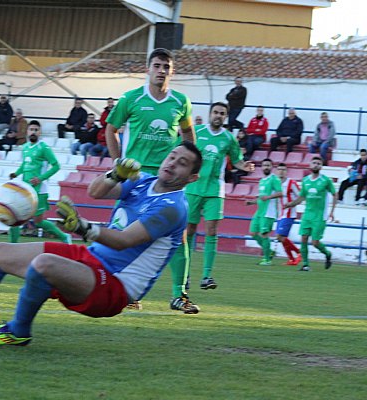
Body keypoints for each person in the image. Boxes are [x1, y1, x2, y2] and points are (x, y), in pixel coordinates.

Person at [0, 143, 203, 344]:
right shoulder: (144, 182)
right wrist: (115, 174)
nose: (173, 163)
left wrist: (85, 228)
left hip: (114, 286)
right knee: (0, 253)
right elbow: (97, 192)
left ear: (191, 177)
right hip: (92, 259)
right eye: (173, 157)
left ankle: (18, 331)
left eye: (183, 163)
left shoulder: (172, 207)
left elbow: (125, 241)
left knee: (44, 265)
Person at [105, 48, 195, 310]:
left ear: (172, 71)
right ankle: (118, 290)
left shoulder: (181, 101)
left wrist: (187, 169)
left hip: (167, 179)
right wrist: (117, 164)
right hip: (134, 178)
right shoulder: (130, 99)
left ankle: (180, 295)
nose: (161, 71)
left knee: (179, 236)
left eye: (166, 66)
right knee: (122, 232)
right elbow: (111, 130)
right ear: (148, 69)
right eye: (157, 65)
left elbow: (188, 135)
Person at [185, 102, 253, 290]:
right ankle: (185, 274)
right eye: (215, 112)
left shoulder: (229, 139)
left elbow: (237, 160)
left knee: (212, 231)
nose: (218, 116)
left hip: (215, 190)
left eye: (222, 113)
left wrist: (245, 166)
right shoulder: (196, 132)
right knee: (189, 232)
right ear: (209, 114)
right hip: (192, 188)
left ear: (225, 117)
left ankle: (207, 276)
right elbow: (181, 151)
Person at [8, 120, 71, 244]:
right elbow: (25, 165)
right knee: (14, 217)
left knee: (38, 222)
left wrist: (40, 179)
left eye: (36, 130)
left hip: (39, 190)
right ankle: (12, 246)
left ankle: (64, 237)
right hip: (25, 189)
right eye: (31, 129)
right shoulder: (25, 147)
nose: (33, 132)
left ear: (40, 132)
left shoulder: (44, 148)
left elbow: (56, 166)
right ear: (27, 131)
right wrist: (16, 173)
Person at [284, 156, 336, 271]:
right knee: (303, 239)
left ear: (321, 166)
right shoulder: (306, 180)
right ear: (310, 165)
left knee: (315, 242)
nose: (316, 165)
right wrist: (291, 204)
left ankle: (327, 254)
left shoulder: (326, 180)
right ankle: (306, 265)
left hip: (319, 215)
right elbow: (302, 197)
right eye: (314, 163)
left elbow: (334, 194)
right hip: (307, 214)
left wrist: (332, 211)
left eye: (318, 163)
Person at [246, 159, 283, 266]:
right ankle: (269, 251)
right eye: (264, 165)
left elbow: (280, 193)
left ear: (271, 167)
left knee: (264, 234)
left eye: (268, 165)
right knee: (253, 233)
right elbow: (261, 197)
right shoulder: (262, 180)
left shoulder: (274, 179)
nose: (266, 167)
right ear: (261, 167)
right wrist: (252, 202)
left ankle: (267, 260)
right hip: (260, 211)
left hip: (269, 212)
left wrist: (269, 197)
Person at [275, 163, 302, 265]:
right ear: (276, 171)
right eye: (279, 169)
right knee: (282, 238)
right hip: (280, 214)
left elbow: (301, 196)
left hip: (289, 214)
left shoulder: (291, 183)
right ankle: (291, 259)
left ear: (286, 172)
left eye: (283, 169)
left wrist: (292, 204)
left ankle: (299, 253)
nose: (281, 171)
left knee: (279, 236)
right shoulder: (276, 183)